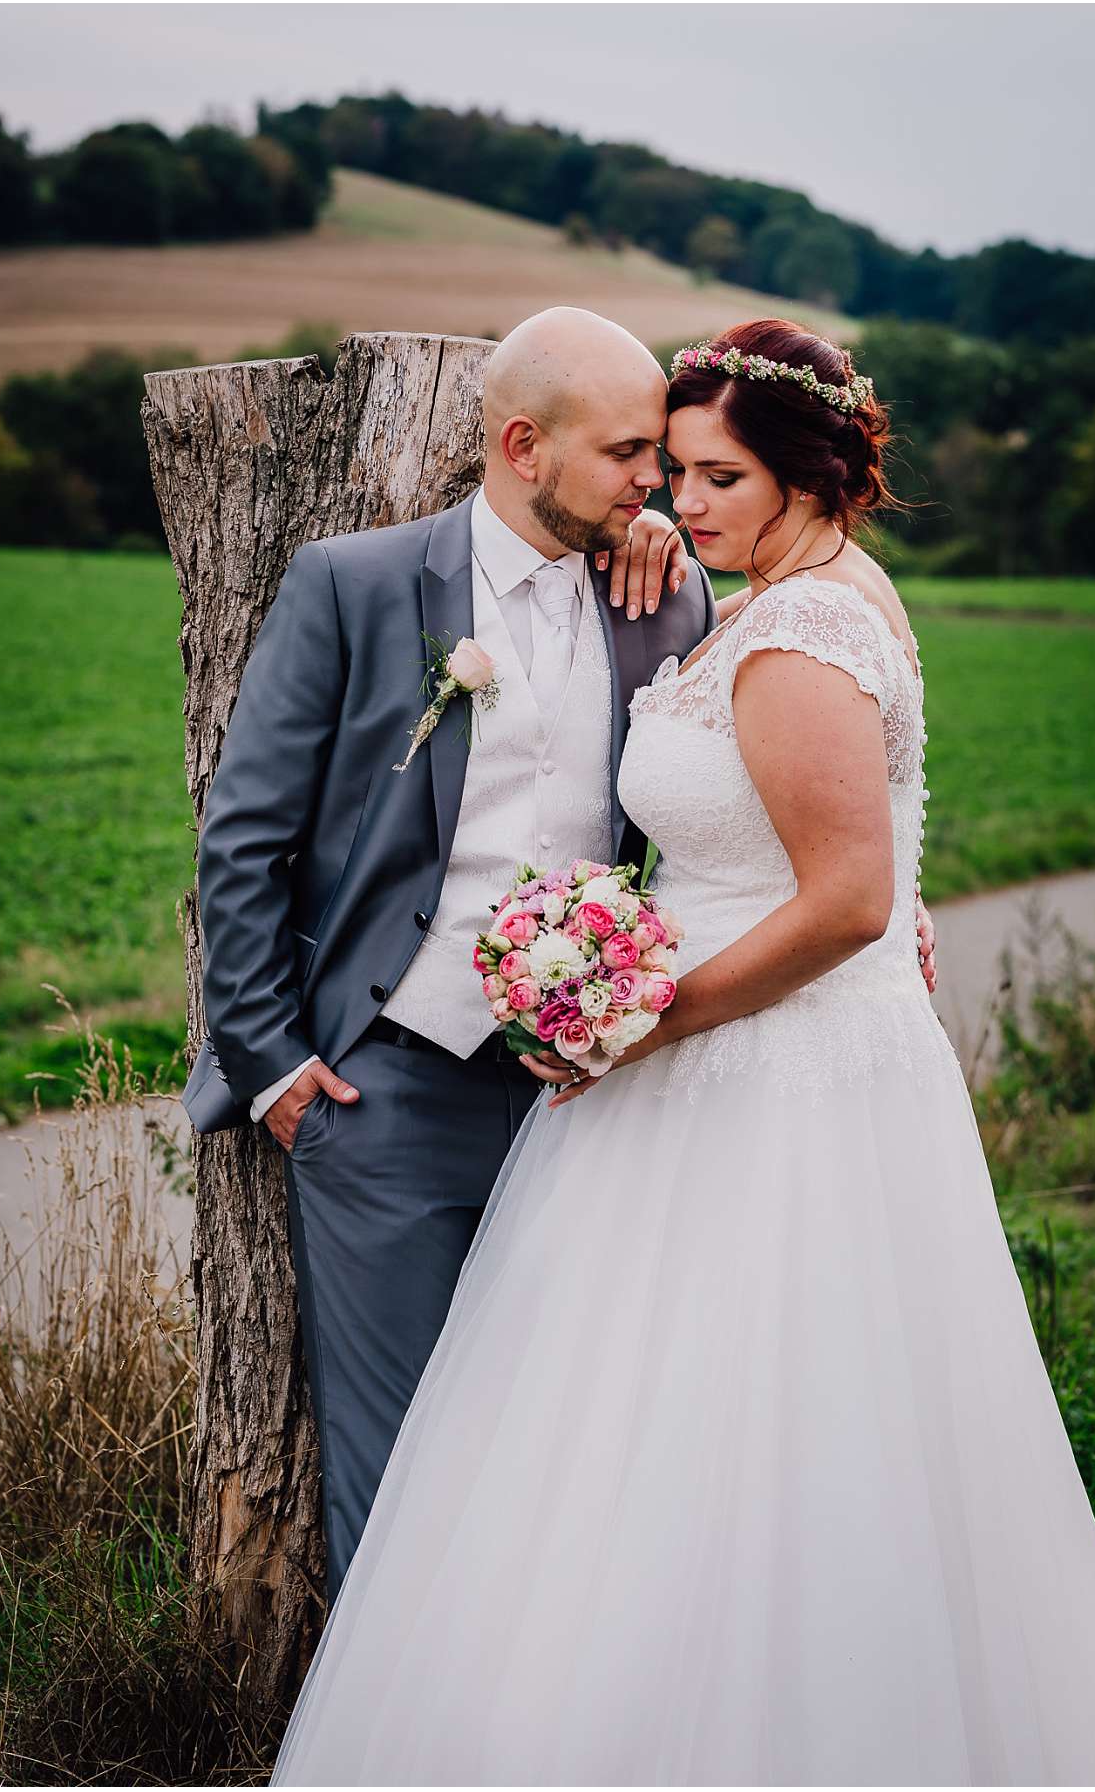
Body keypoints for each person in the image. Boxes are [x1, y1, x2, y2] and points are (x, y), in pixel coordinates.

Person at [271, 319, 1095, 1790]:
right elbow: (868, 846)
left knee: (749, 1421)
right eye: (668, 466)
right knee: (646, 1433)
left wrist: (653, 1017)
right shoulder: (759, 595)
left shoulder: (796, 627)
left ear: (809, 475)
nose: (681, 500)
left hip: (759, 1078)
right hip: (681, 1071)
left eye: (719, 474)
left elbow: (843, 888)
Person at [190, 307, 715, 1595]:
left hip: (590, 1101)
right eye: (631, 451)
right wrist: (274, 1067)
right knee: (400, 1470)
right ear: (523, 443)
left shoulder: (668, 592)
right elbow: (244, 837)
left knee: (577, 1447)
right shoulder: (354, 585)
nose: (658, 480)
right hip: (381, 1090)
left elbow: (731, 807)